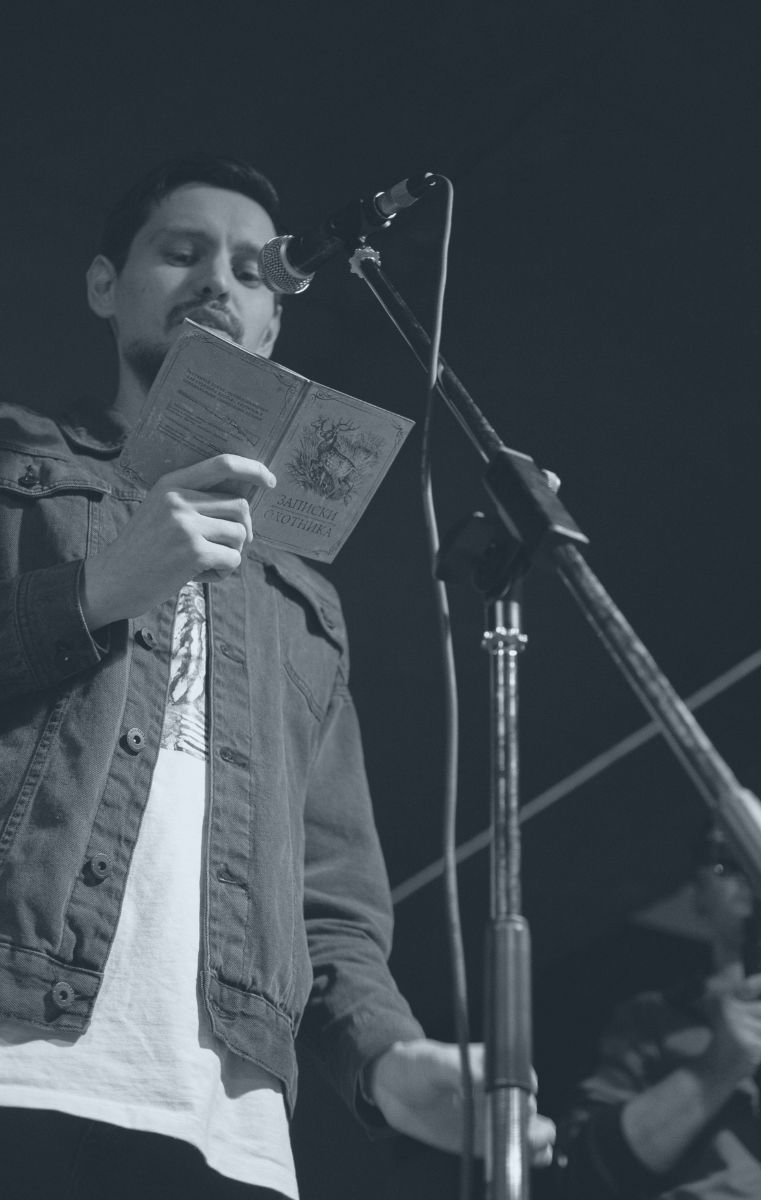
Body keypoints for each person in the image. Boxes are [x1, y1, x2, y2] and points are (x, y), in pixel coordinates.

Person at [0, 155, 555, 1199]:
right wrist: (99, 587)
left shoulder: (300, 594)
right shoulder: (9, 462)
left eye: (256, 272)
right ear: (102, 283)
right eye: (183, 251)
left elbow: (332, 896)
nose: (221, 280)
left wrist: (389, 1060)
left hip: (228, 1120)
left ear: (274, 324)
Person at [558, 825, 761, 1198]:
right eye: (728, 864)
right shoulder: (650, 1017)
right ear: (698, 895)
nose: (754, 877)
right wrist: (716, 1068)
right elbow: (588, 1172)